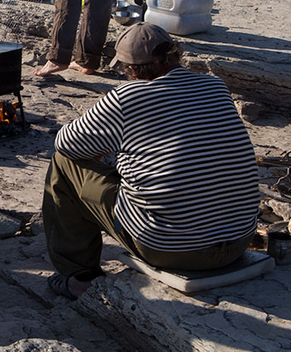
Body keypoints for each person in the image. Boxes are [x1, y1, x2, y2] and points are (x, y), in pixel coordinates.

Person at [42, 23, 260, 299]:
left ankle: (79, 277)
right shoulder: (215, 86)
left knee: (63, 164)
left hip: (170, 249)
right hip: (238, 241)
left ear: (131, 69)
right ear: (174, 55)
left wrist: (109, 152)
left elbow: (66, 144)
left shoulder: (127, 98)